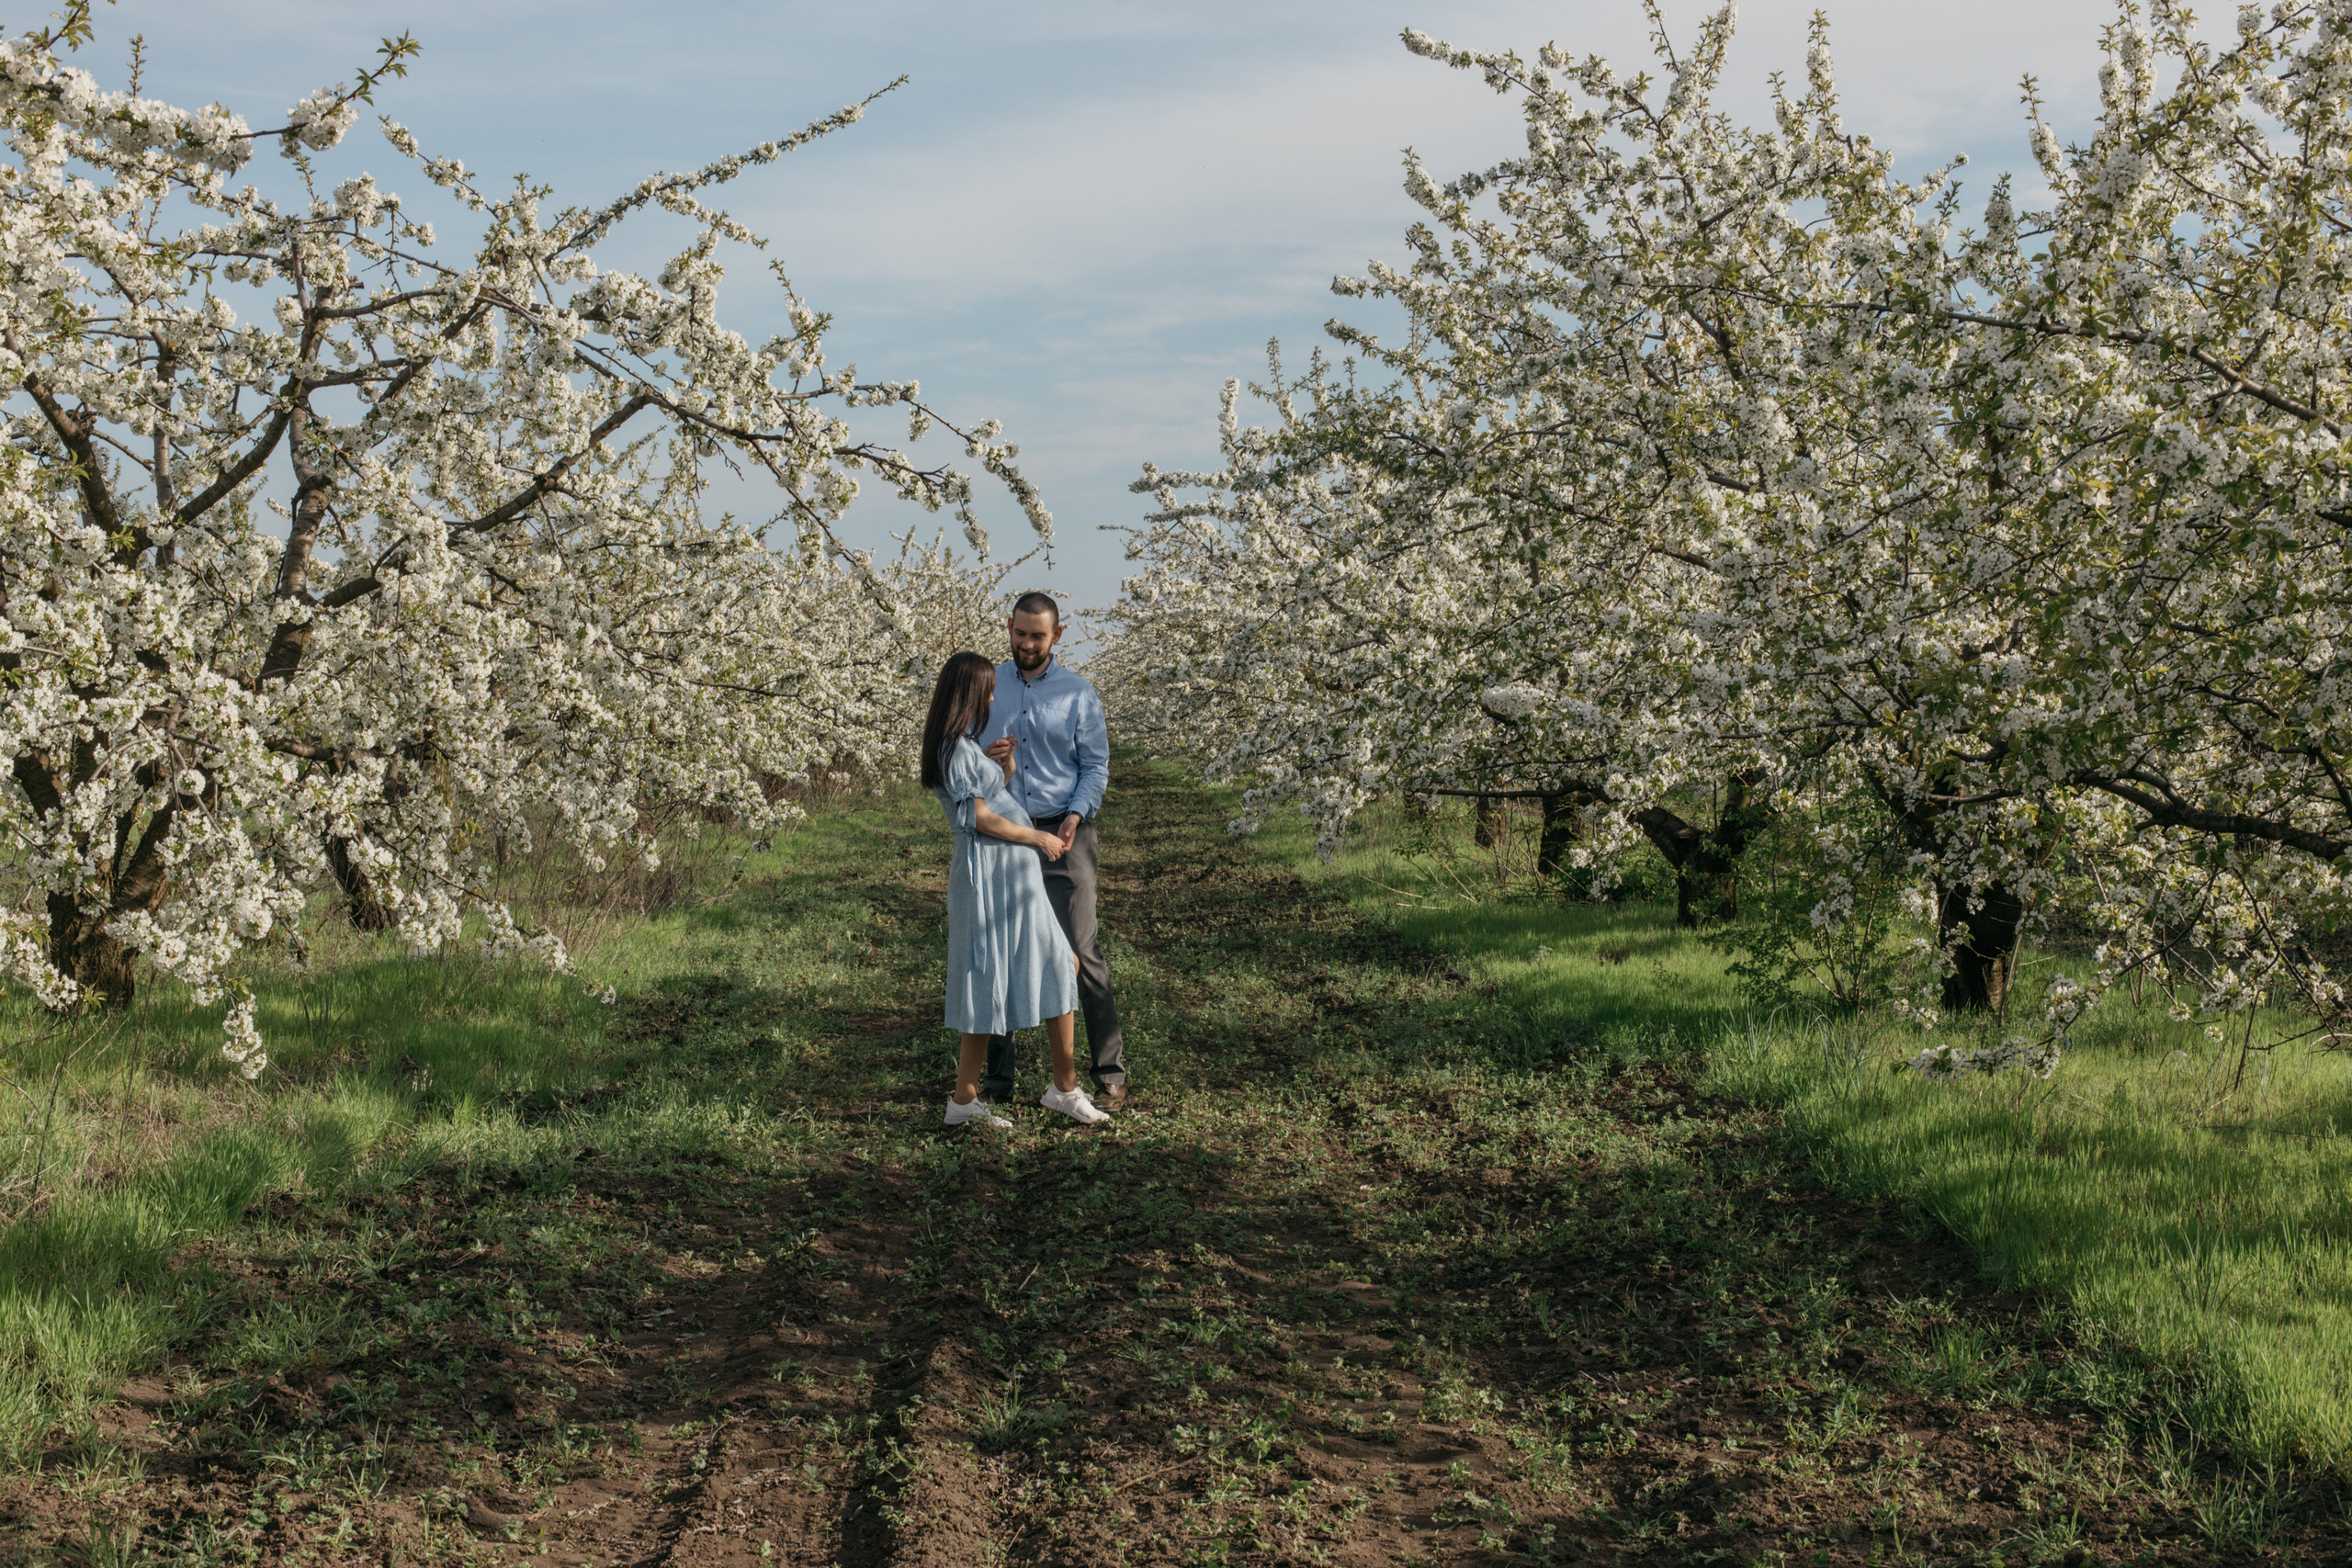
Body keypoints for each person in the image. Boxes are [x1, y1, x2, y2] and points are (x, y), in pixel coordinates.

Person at [922, 650, 1110, 1129]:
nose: (991, 694)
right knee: (992, 975)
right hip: (991, 873)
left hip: (1008, 872)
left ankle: (1047, 1089)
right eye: (985, 688)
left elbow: (986, 798)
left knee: (1048, 963)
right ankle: (1007, 1096)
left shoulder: (962, 746)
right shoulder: (951, 748)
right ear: (968, 693)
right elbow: (981, 819)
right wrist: (1038, 836)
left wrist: (997, 770)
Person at [976, 592, 1127, 1111]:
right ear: (1010, 629)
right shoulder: (987, 689)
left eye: (1037, 636)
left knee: (1080, 953)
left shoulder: (1080, 694)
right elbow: (961, 756)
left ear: (1056, 636)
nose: (1026, 645)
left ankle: (1108, 1070)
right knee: (1001, 952)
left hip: (1066, 834)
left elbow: (1095, 767)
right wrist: (985, 758)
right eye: (1019, 634)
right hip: (1005, 834)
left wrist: (1075, 815)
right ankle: (998, 1079)